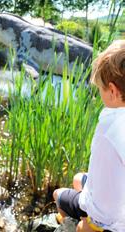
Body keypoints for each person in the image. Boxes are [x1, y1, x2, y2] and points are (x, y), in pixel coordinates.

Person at [53, 40, 125, 232]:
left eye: (100, 89)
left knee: (59, 194)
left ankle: (71, 224)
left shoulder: (111, 125)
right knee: (78, 178)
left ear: (112, 90)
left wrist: (91, 221)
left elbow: (104, 205)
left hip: (113, 221)